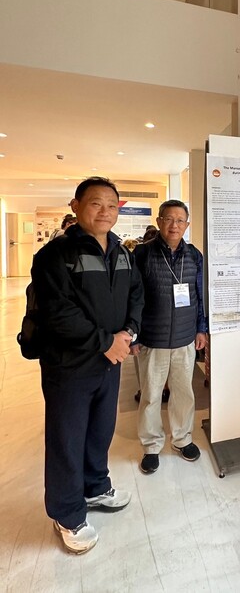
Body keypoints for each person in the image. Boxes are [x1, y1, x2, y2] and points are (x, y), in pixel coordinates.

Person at [31, 177, 144, 555]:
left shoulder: (122, 252)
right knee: (67, 438)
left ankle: (95, 487)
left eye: (112, 205)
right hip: (70, 366)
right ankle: (67, 512)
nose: (105, 211)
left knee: (100, 430)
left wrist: (128, 332)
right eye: (96, 204)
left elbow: (136, 296)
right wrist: (105, 342)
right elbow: (57, 312)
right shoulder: (55, 255)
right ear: (76, 206)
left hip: (110, 362)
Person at [133, 199, 207, 474]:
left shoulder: (194, 255)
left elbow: (200, 295)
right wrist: (134, 334)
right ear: (159, 221)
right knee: (151, 395)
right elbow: (134, 297)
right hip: (153, 338)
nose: (174, 225)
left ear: (187, 225)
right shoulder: (142, 254)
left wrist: (201, 328)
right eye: (169, 219)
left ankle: (182, 439)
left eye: (180, 220)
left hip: (186, 337)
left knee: (184, 393)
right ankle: (151, 445)